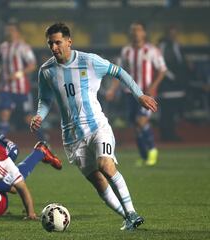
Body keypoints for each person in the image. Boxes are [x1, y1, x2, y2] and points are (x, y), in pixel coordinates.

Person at [30, 23, 158, 231]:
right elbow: (44, 100)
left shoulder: (89, 61)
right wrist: (39, 115)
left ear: (69, 41)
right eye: (50, 43)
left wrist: (139, 94)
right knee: (98, 181)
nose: (54, 47)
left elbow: (119, 72)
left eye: (58, 42)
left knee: (106, 165)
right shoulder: (46, 71)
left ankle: (132, 212)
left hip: (97, 127)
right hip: (72, 137)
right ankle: (127, 217)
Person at [106, 21, 167, 166]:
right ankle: (143, 155)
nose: (135, 32)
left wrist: (153, 86)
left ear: (144, 33)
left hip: (146, 93)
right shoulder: (126, 51)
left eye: (138, 30)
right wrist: (112, 89)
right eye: (133, 30)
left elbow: (162, 70)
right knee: (135, 125)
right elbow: (118, 72)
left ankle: (152, 150)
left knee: (141, 121)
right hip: (130, 93)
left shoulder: (152, 50)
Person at [0, 19, 37, 135]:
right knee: (4, 115)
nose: (9, 32)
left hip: (21, 89)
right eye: (7, 30)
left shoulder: (23, 47)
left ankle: (43, 140)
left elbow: (32, 65)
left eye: (12, 30)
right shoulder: (2, 47)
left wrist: (18, 74)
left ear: (17, 32)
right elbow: (2, 65)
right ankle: (0, 143)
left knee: (28, 118)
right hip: (6, 88)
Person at [158, 26, 188, 141]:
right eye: (171, 34)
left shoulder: (177, 46)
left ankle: (171, 133)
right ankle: (166, 135)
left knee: (173, 111)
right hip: (167, 84)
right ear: (167, 35)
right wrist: (172, 77)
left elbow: (180, 63)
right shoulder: (163, 47)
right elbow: (162, 65)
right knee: (166, 111)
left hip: (177, 86)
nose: (173, 36)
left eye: (175, 34)